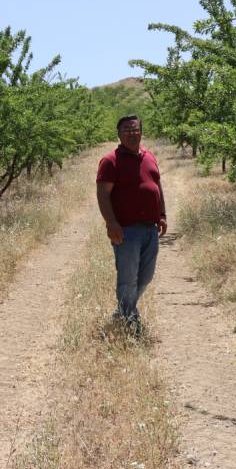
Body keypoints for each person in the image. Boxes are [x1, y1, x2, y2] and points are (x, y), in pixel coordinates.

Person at [95, 114, 167, 336]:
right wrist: (112, 223)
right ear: (119, 134)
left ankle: (124, 311)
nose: (132, 133)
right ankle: (129, 323)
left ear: (141, 132)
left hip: (150, 229)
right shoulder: (111, 161)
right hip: (126, 230)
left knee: (146, 275)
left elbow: (157, 185)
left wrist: (162, 214)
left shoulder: (149, 156)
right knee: (127, 278)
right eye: (127, 129)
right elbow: (103, 194)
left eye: (135, 129)